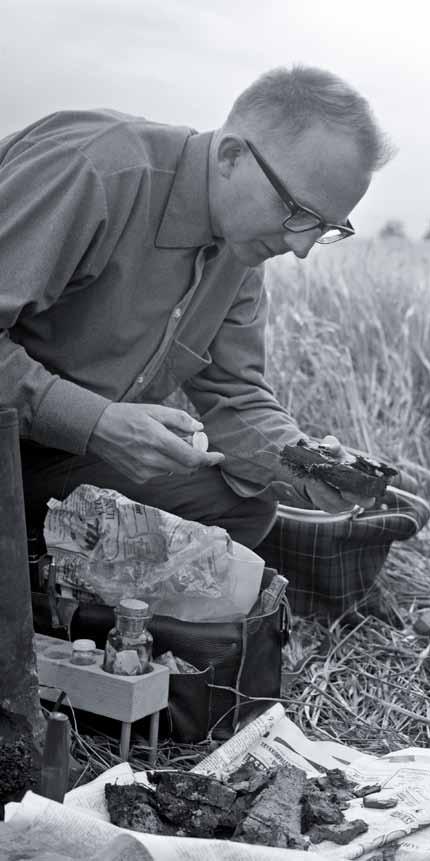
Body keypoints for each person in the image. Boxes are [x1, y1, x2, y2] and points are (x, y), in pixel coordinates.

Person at [0, 65, 394, 552]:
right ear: (231, 156)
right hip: (18, 437)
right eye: (300, 214)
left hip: (47, 456)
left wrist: (304, 463)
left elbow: (235, 394)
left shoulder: (242, 247)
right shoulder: (93, 170)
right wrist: (96, 423)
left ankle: (62, 593)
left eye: (326, 228)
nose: (302, 247)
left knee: (241, 507)